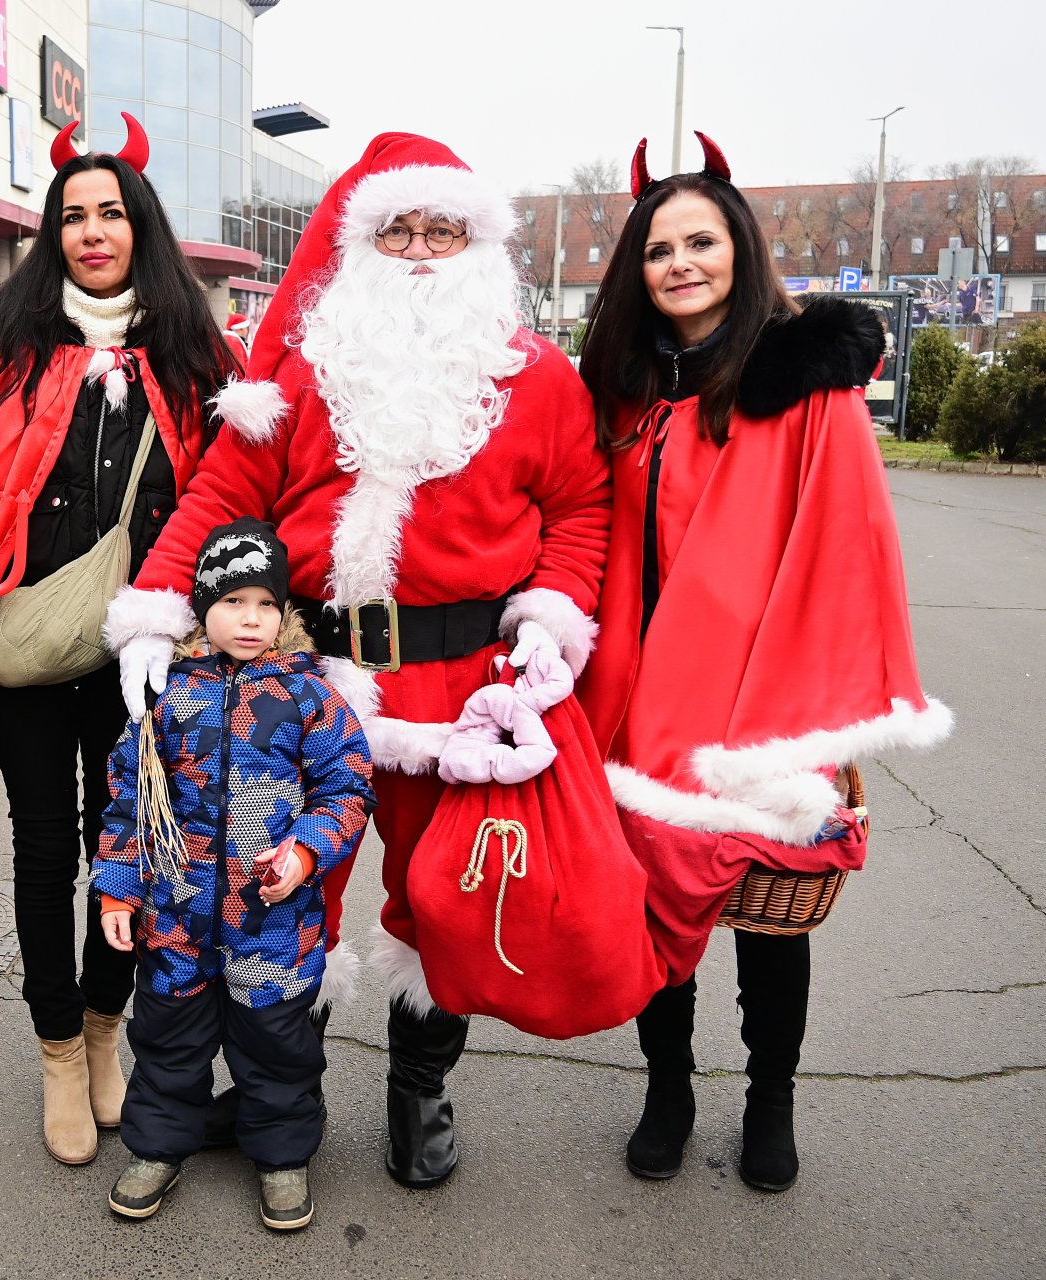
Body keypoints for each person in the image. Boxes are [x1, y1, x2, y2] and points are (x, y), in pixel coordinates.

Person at [106, 132, 613, 1188]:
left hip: (461, 688)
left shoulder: (540, 377)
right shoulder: (301, 366)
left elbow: (577, 510)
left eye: (443, 229)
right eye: (399, 228)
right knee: (276, 888)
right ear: (362, 243)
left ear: (479, 243)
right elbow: (220, 498)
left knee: (445, 898)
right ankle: (271, 1084)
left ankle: (420, 1083)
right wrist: (157, 611)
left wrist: (548, 621)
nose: (421, 249)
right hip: (305, 681)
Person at [575, 135, 952, 1194]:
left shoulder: (798, 384)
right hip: (641, 696)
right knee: (653, 898)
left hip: (761, 695)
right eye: (659, 248)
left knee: (770, 914)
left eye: (702, 239)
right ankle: (668, 1086)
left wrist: (796, 706)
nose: (681, 261)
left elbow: (845, 545)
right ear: (635, 270)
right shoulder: (625, 389)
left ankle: (771, 1094)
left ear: (739, 248)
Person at [0, 113, 235, 1166]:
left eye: (109, 211)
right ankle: (58, 1049)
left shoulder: (193, 354)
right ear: (50, 232)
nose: (92, 230)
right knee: (45, 846)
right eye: (72, 216)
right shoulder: (5, 345)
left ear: (140, 221)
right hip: (24, 645)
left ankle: (108, 1030)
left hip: (141, 654)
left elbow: (234, 500)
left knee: (128, 847)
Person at [96, 519, 372, 1231]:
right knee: (167, 1043)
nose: (250, 619)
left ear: (284, 615)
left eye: (265, 605)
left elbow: (347, 788)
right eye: (232, 603)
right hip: (176, 920)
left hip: (274, 927)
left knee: (279, 1049)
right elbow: (130, 797)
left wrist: (306, 851)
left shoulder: (308, 697)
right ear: (200, 609)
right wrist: (119, 888)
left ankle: (282, 1158)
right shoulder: (168, 697)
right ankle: (157, 1146)